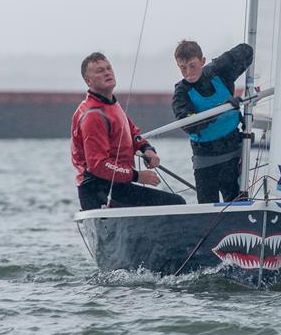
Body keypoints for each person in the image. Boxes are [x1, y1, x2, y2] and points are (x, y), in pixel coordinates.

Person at [71, 52, 186, 211]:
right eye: (100, 70)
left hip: (118, 186)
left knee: (176, 202)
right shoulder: (93, 115)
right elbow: (98, 165)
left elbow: (133, 134)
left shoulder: (111, 105)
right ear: (88, 81)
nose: (107, 72)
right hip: (98, 191)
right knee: (176, 203)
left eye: (108, 68)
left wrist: (147, 150)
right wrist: (137, 176)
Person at [172, 40, 253, 204]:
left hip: (233, 152)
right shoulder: (181, 92)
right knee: (208, 210)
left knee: (238, 205)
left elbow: (247, 51)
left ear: (202, 61)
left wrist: (220, 61)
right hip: (205, 159)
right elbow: (189, 124)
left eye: (193, 65)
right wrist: (219, 109)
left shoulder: (219, 72)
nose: (188, 72)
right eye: (183, 68)